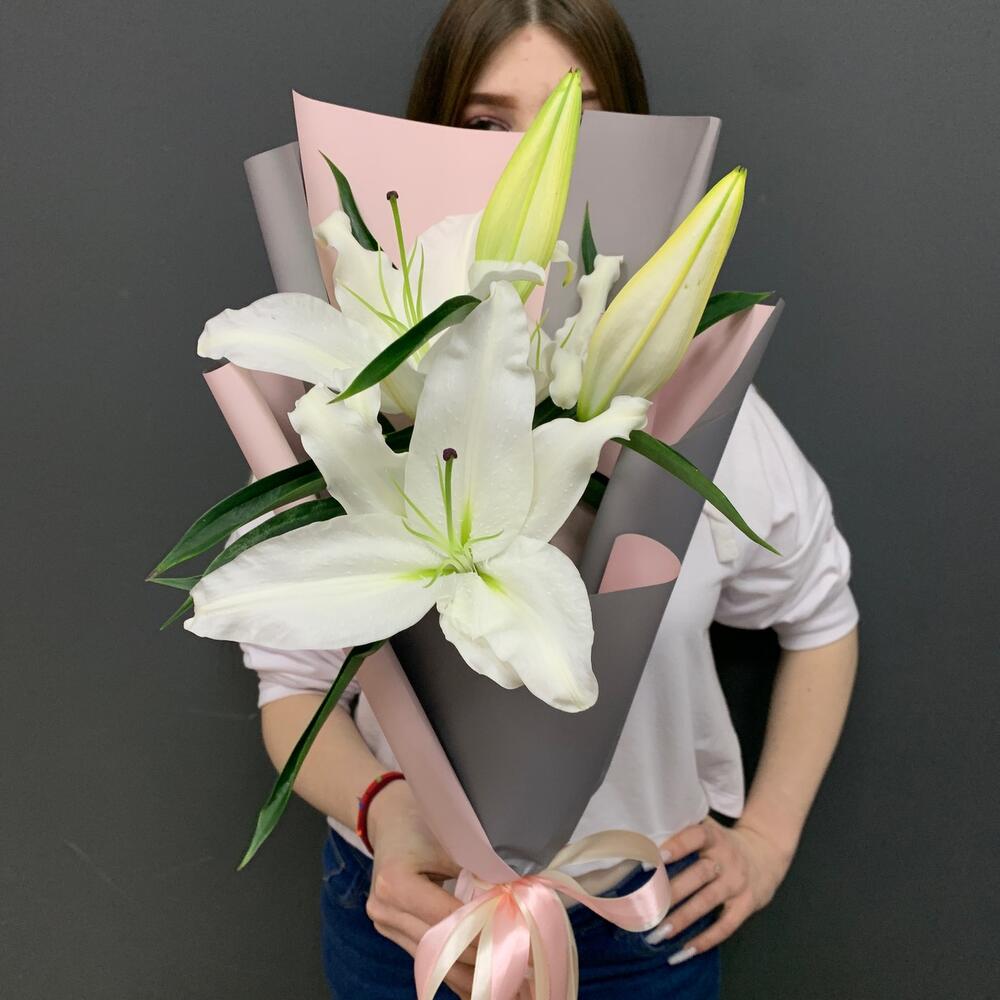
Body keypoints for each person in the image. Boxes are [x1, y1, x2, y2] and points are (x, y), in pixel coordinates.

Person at [241, 2, 861, 998]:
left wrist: (768, 840)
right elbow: (291, 689)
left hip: (640, 928)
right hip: (402, 912)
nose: (530, 168)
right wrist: (386, 814)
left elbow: (821, 613)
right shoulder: (341, 404)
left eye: (581, 124)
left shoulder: (703, 414)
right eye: (485, 125)